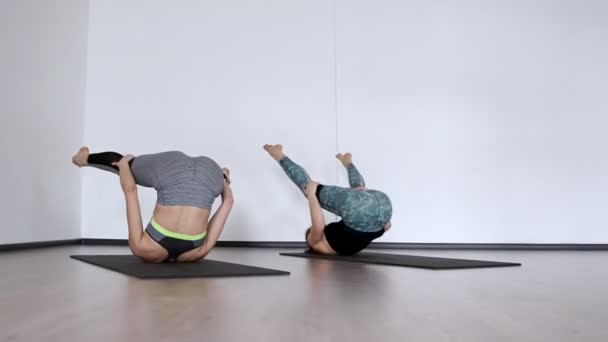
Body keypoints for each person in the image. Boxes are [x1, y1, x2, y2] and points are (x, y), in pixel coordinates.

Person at [72, 147, 234, 262]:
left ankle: (224, 173)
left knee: (126, 165)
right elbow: (130, 190)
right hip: (173, 170)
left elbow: (228, 202)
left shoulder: (198, 253)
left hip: (210, 172)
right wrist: (123, 166)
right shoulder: (142, 248)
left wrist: (222, 180)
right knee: (125, 164)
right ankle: (82, 159)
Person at [264, 144, 392, 255]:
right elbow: (319, 224)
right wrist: (312, 196)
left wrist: (373, 222)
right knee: (307, 187)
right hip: (358, 210)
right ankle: (277, 154)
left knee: (360, 192)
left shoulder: (348, 247)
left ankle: (348, 162)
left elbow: (388, 226)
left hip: (384, 208)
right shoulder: (314, 242)